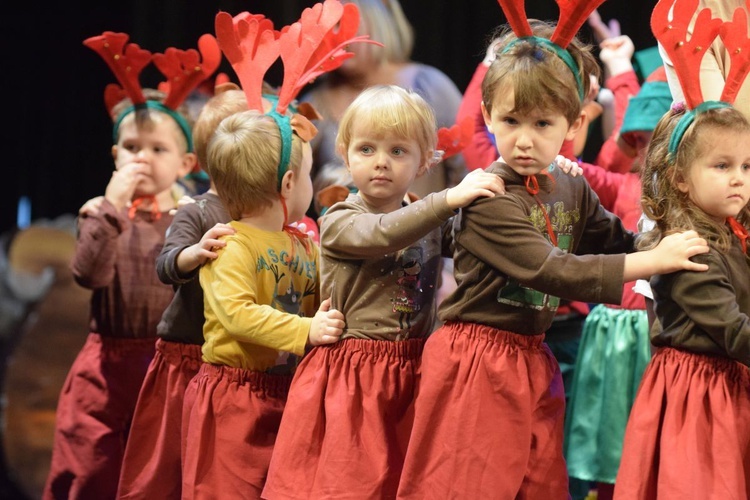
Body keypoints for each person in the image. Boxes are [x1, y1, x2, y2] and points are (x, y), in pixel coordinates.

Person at [396, 16, 711, 499]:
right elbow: (555, 270)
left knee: (539, 483)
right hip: (478, 362)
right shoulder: (489, 198)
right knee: (467, 484)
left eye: (543, 123)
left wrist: (677, 246)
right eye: (511, 121)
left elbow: (618, 241)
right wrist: (655, 261)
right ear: (488, 113)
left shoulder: (570, 183)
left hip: (531, 358)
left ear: (574, 120)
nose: (525, 139)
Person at [261, 84, 505, 499]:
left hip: (412, 370)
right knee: (348, 484)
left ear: (424, 160)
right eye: (367, 149)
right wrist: (447, 200)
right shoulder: (340, 219)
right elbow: (384, 234)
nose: (380, 164)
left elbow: (479, 236)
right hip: (354, 376)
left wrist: (527, 173)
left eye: (397, 151)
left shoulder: (426, 216)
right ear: (345, 152)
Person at [43, 31, 219, 500]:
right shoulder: (99, 211)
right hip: (105, 368)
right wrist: (112, 208)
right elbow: (89, 274)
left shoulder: (192, 216)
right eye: (132, 147)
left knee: (156, 476)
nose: (142, 158)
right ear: (115, 155)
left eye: (157, 150)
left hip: (167, 363)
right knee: (91, 470)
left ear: (185, 163)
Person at [614, 2, 750, 497]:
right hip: (698, 397)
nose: (738, 178)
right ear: (680, 180)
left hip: (728, 387)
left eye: (747, 167)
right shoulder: (688, 249)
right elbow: (733, 330)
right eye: (722, 166)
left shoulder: (734, 233)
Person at [116, 87, 244, 500]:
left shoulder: (268, 213)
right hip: (186, 358)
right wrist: (194, 253)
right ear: (210, 159)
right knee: (165, 470)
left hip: (235, 364)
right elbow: (166, 263)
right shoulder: (199, 209)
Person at [563, 65, 673, 500]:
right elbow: (579, 170)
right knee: (606, 428)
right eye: (639, 141)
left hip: (654, 332)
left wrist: (626, 73)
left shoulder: (688, 195)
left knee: (649, 434)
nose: (646, 151)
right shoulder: (624, 186)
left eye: (655, 141)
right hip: (612, 328)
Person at [301, 0, 466, 205]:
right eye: (329, 25)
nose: (335, 34)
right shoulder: (314, 104)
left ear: (376, 23)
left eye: (343, 22)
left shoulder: (429, 85)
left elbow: (468, 168)